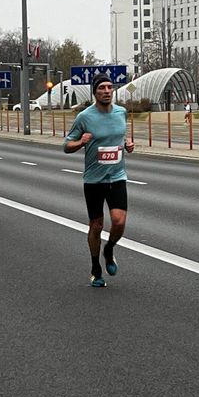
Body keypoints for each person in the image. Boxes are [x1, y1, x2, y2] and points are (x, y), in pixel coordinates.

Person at [64, 73, 134, 288]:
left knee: (119, 221)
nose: (106, 91)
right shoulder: (85, 117)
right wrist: (81, 142)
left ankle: (109, 248)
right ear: (95, 92)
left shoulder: (121, 112)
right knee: (96, 226)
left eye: (109, 87)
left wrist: (128, 145)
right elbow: (66, 146)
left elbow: (120, 138)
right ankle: (95, 267)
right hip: (94, 180)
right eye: (102, 88)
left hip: (117, 176)